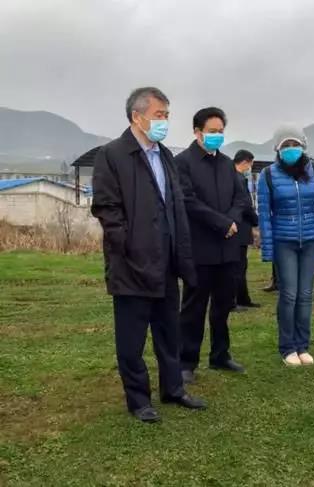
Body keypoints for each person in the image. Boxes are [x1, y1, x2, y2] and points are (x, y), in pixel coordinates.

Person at [91, 87, 206, 423]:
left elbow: (175, 206)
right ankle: (139, 400)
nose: (164, 121)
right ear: (136, 117)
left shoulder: (165, 155)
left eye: (167, 115)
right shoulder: (112, 155)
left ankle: (174, 389)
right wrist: (127, 245)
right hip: (131, 264)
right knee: (132, 339)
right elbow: (107, 208)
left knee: (169, 332)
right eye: (159, 115)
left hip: (166, 261)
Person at [177, 107, 247, 383]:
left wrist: (232, 221)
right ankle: (186, 361)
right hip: (200, 247)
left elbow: (240, 199)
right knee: (193, 308)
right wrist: (221, 223)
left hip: (227, 248)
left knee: (223, 306)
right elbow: (188, 201)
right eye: (212, 131)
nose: (217, 136)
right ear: (197, 132)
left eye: (221, 131)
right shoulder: (183, 163)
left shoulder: (227, 164)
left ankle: (220, 354)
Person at [257, 126, 314, 367]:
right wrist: (268, 249)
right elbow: (264, 215)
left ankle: (303, 345)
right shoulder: (267, 175)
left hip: (311, 241)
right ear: (277, 149)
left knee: (306, 295)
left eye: (295, 144)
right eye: (286, 146)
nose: (291, 149)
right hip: (284, 242)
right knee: (289, 294)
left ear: (303, 146)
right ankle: (287, 347)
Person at [232, 149, 260, 311]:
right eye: (251, 164)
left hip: (237, 227)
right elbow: (245, 204)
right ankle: (235, 300)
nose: (250, 168)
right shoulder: (238, 179)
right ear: (244, 162)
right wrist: (255, 220)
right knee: (238, 267)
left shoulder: (230, 177)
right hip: (240, 227)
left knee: (240, 266)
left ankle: (243, 298)